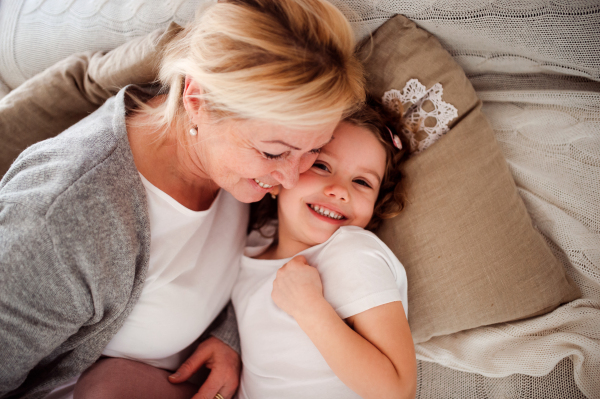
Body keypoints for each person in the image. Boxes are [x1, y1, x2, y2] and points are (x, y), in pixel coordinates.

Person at [0, 0, 365, 398]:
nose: (293, 178)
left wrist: (230, 337)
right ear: (197, 99)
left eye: (314, 150)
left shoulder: (237, 158)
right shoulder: (64, 225)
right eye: (273, 152)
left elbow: (259, 259)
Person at [232, 99, 417, 399]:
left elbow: (398, 390)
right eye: (321, 166)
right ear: (279, 174)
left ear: (375, 206)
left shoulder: (353, 253)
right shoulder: (251, 244)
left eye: (361, 182)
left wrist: (310, 309)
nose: (340, 190)